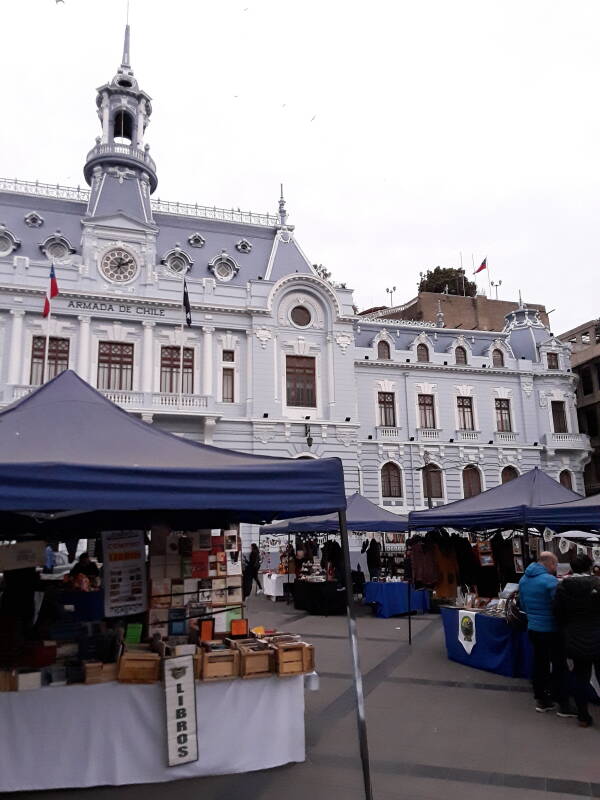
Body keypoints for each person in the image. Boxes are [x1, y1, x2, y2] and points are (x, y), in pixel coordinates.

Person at [518, 551, 575, 716]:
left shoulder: (523, 579)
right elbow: (559, 607)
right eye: (555, 565)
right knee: (559, 666)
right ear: (550, 564)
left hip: (533, 628)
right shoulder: (550, 581)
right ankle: (563, 704)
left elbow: (523, 604)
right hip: (551, 629)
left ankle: (542, 701)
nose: (555, 568)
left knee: (539, 664)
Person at [554, 554, 600, 727]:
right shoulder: (598, 584)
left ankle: (583, 716)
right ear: (589, 567)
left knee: (581, 678)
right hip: (597, 636)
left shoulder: (562, 587)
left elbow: (557, 612)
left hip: (574, 637)